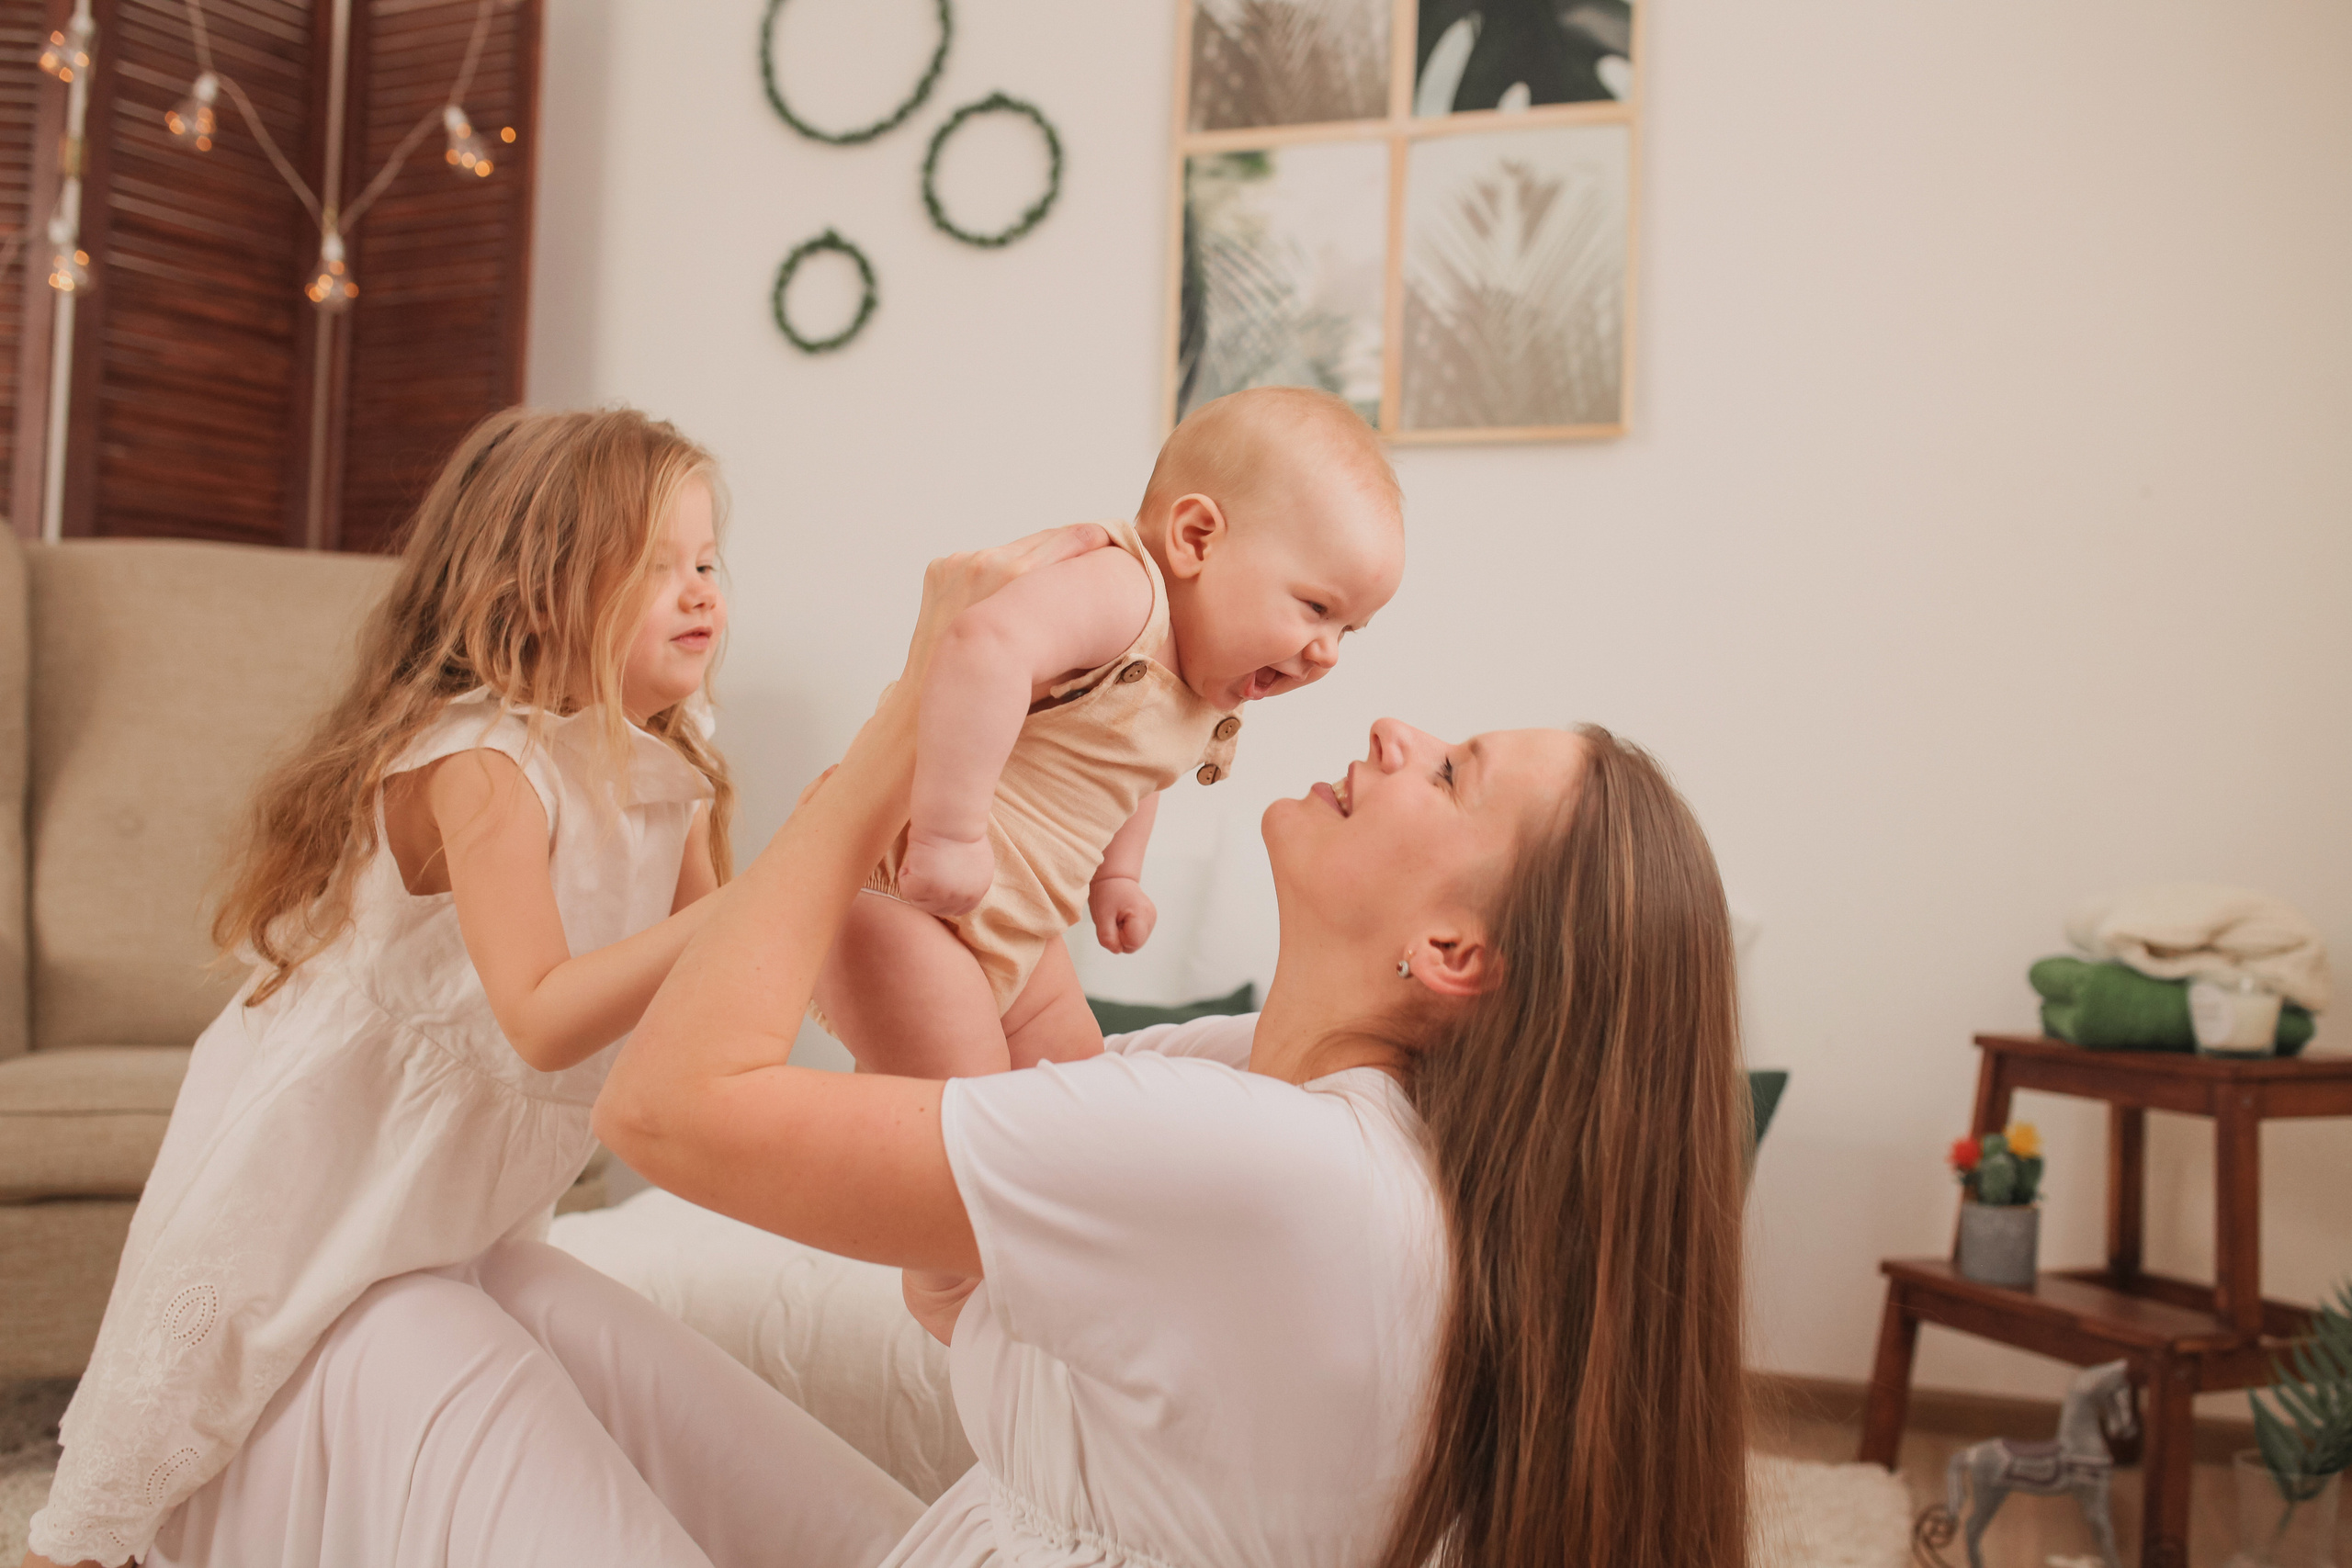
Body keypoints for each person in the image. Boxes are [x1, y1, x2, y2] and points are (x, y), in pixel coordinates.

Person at [599, 534, 1753, 1562]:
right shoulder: (1275, 1083)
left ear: (1451, 950)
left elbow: (661, 1111)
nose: (1397, 731)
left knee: (491, 1326)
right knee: (533, 1302)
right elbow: (1011, 1191)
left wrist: (899, 730)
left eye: (1452, 775)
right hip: (994, 1529)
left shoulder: (1277, 1161)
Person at [25, 407, 778, 1568]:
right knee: (190, 1384)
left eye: (708, 564)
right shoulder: (483, 765)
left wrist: (829, 910)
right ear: (536, 595)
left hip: (453, 1176)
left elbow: (704, 1000)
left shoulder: (672, 780)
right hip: (325, 1141)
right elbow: (539, 1015)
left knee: (400, 1363)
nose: (700, 596)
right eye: (654, 566)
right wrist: (749, 905)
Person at [813, 386, 1406, 1077]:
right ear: (1196, 538)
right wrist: (949, 833)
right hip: (903, 890)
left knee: (1078, 1085)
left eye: (1348, 630)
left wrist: (1118, 874)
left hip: (1021, 923)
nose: (1327, 651)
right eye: (1316, 608)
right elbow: (984, 647)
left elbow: (1137, 768)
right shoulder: (1125, 591)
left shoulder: (1202, 680)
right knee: (961, 1111)